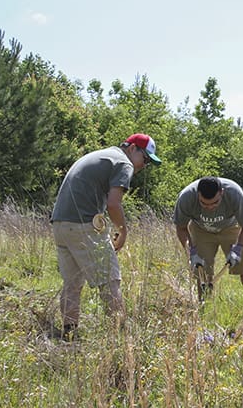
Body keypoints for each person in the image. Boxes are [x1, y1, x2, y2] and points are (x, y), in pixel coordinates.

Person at [50, 133, 161, 340]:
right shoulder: (123, 163)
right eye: (145, 159)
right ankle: (121, 339)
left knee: (72, 283)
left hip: (60, 225)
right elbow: (113, 204)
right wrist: (123, 230)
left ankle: (69, 334)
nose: (144, 165)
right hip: (84, 225)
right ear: (132, 149)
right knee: (110, 281)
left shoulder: (103, 155)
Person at [173, 176, 243, 299]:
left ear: (221, 193)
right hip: (201, 230)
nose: (210, 207)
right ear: (198, 195)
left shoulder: (234, 193)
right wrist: (191, 251)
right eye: (204, 204)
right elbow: (181, 228)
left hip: (230, 227)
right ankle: (204, 303)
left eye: (215, 203)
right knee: (202, 270)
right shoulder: (186, 197)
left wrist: (238, 248)